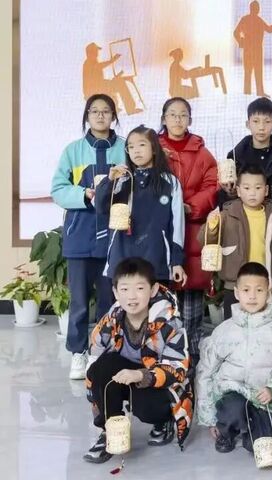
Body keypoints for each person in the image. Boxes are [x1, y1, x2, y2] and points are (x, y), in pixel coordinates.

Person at [83, 257, 192, 463]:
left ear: (153, 290)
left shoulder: (170, 323)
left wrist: (140, 375)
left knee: (145, 407)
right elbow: (94, 354)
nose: (132, 296)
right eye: (124, 289)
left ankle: (163, 421)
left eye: (140, 288)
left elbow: (178, 369)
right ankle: (111, 430)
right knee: (102, 367)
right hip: (126, 377)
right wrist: (93, 388)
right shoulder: (111, 319)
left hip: (157, 385)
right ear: (115, 292)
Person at [196, 262, 272, 455]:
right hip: (233, 395)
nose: (253, 296)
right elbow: (205, 371)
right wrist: (210, 419)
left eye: (259, 290)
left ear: (268, 292)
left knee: (265, 448)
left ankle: (257, 431)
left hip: (265, 401)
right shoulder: (224, 332)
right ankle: (227, 431)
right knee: (232, 407)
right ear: (237, 293)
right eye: (246, 290)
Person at [50, 94, 126, 380]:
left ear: (114, 116)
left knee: (110, 300)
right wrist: (84, 194)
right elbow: (58, 189)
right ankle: (78, 352)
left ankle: (102, 351)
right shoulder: (73, 151)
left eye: (106, 111)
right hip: (80, 234)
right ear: (87, 116)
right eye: (94, 111)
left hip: (115, 237)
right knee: (79, 302)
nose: (100, 116)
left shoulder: (125, 148)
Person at [159, 97, 217, 365]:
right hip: (160, 231)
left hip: (193, 229)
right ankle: (163, 356)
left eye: (183, 115)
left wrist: (189, 207)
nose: (178, 119)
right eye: (172, 114)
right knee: (162, 297)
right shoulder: (153, 149)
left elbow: (212, 185)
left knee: (192, 295)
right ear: (164, 119)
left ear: (190, 120)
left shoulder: (202, 153)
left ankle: (191, 359)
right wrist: (168, 207)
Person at [95, 126, 187, 287]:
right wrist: (109, 181)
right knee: (125, 302)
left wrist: (176, 261)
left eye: (142, 145)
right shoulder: (121, 179)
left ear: (154, 149)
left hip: (156, 259)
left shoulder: (169, 182)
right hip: (122, 257)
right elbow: (101, 207)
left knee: (157, 302)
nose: (136, 150)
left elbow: (177, 224)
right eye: (131, 147)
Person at [199, 165, 272, 319]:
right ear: (238, 191)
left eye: (258, 188)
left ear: (266, 190)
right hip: (235, 285)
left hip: (266, 284)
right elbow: (203, 240)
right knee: (234, 327)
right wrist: (211, 226)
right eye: (246, 188)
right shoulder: (226, 215)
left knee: (265, 327)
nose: (252, 192)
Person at [220, 97, 272, 215]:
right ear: (248, 124)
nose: (261, 127)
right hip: (244, 220)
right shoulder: (235, 157)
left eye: (267, 122)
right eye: (256, 121)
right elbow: (225, 200)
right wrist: (230, 193)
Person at [233, 0, 272, 96]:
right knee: (257, 73)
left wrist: (241, 42)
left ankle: (248, 93)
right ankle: (258, 92)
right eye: (257, 8)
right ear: (256, 9)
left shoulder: (245, 19)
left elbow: (235, 33)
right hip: (256, 51)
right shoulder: (258, 20)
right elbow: (270, 29)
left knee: (248, 74)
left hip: (249, 51)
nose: (258, 10)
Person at [82, 42, 142, 115]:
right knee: (119, 84)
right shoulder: (88, 63)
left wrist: (115, 79)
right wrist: (112, 60)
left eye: (97, 51)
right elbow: (99, 67)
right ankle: (130, 109)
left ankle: (115, 108)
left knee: (116, 83)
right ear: (90, 53)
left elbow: (99, 79)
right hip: (93, 92)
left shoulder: (93, 62)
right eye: (95, 51)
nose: (97, 53)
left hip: (98, 88)